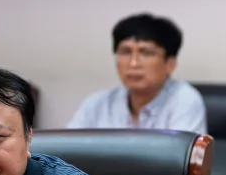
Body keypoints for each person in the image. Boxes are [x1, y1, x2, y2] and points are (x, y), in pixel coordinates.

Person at [67, 13, 206, 134]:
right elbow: (65, 150)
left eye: (146, 53)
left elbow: (181, 156)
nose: (133, 63)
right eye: (125, 52)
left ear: (170, 64)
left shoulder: (184, 101)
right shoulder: (97, 103)